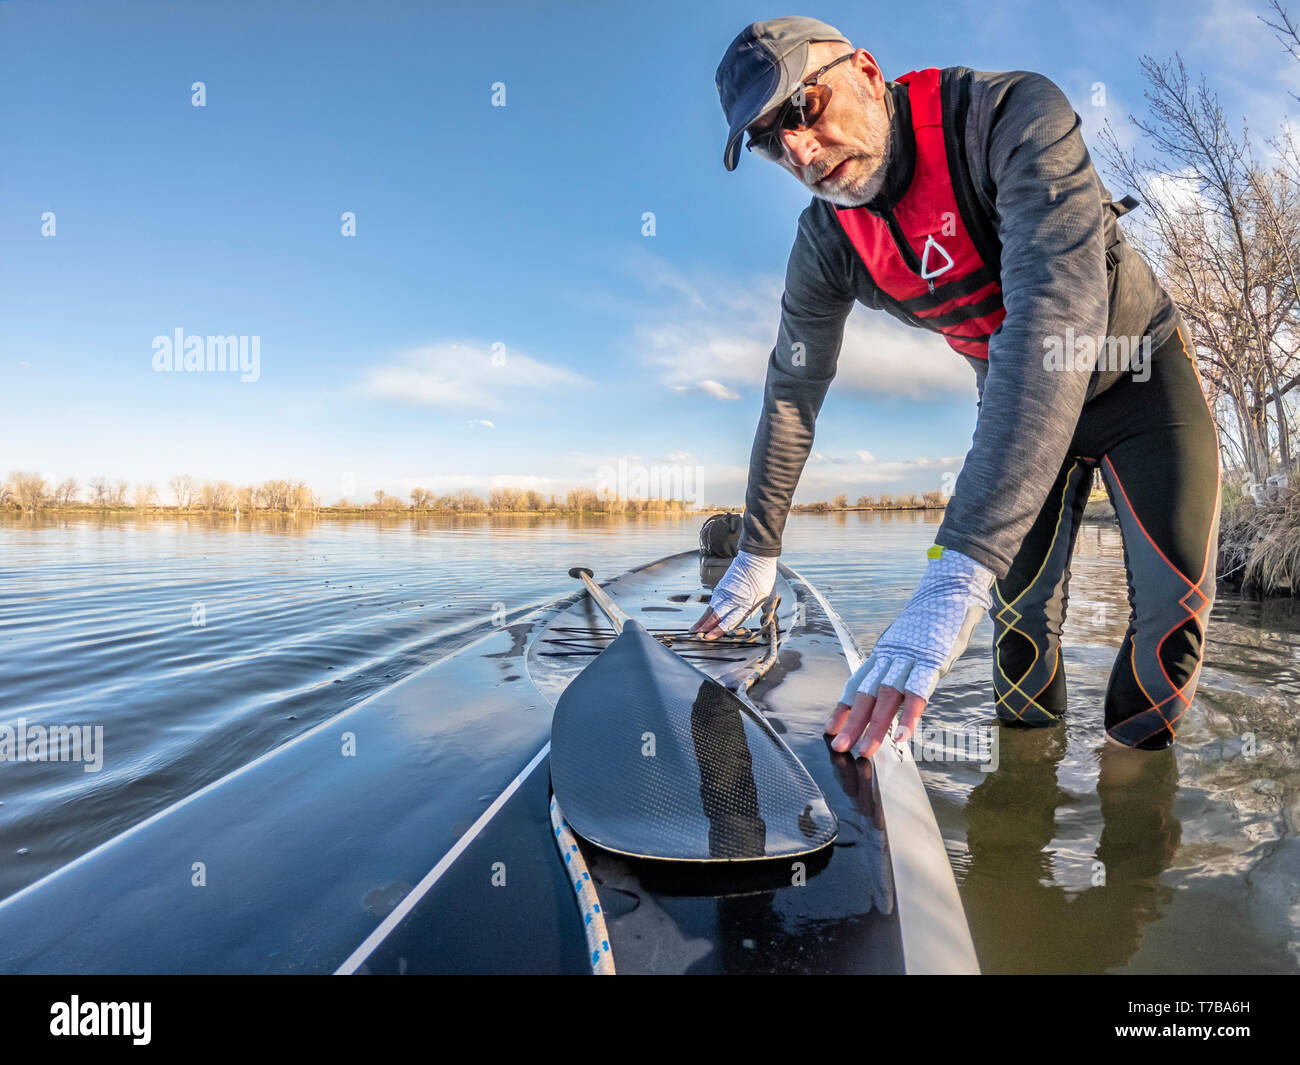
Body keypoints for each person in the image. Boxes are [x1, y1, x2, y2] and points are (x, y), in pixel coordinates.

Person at [692, 17, 1221, 757]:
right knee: (1020, 626)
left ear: (868, 71)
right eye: (768, 141)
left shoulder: (1010, 117)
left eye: (804, 108)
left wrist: (955, 569)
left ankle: (1132, 817)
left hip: (1140, 381)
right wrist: (757, 548)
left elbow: (1049, 318)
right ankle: (1024, 822)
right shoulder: (827, 244)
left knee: (1172, 617)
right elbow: (792, 389)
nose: (801, 152)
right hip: (1016, 409)